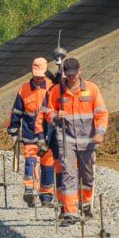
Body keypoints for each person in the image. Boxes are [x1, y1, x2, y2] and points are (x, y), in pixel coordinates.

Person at [37, 56, 108, 225]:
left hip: (88, 141)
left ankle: (85, 205)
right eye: (68, 75)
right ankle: (70, 212)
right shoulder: (57, 91)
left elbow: (102, 113)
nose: (71, 78)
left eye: (74, 74)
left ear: (79, 72)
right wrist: (55, 116)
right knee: (69, 175)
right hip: (66, 140)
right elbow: (47, 112)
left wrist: (100, 133)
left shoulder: (92, 89)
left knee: (87, 176)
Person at [7, 56, 57, 208]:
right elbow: (16, 112)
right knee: (31, 160)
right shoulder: (24, 89)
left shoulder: (52, 87)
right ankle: (30, 189)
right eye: (36, 76)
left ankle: (46, 195)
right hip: (30, 134)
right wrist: (14, 131)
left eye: (41, 76)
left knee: (48, 164)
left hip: (48, 135)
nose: (38, 79)